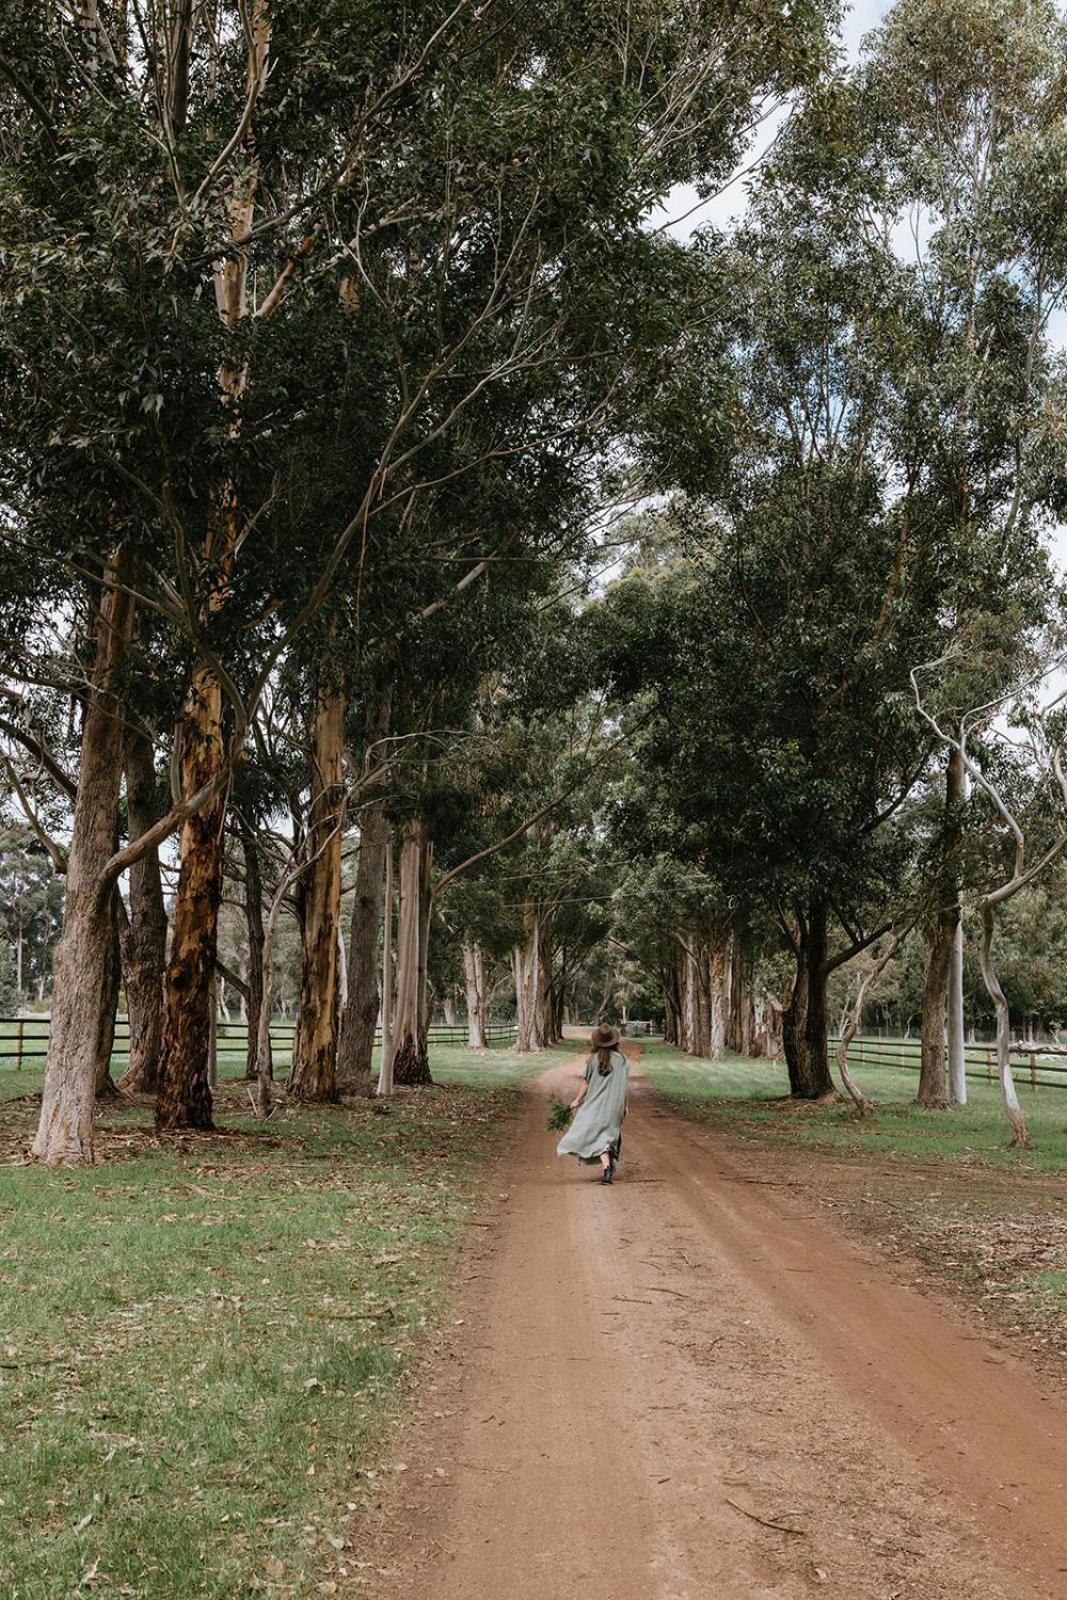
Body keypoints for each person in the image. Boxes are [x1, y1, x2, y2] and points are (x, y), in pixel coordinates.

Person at [556, 1023, 630, 1184]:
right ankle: (609, 1164)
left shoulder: (593, 1060)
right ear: (615, 1042)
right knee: (608, 1134)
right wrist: (624, 1105)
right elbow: (623, 1085)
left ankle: (607, 1170)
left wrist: (577, 1100)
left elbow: (586, 1083)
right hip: (614, 1105)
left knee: (596, 1134)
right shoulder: (623, 1061)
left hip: (596, 1104)